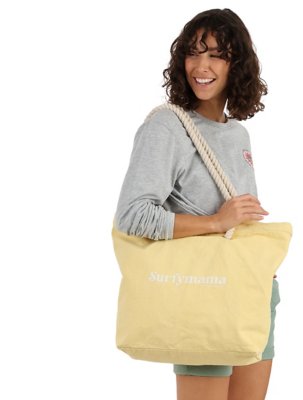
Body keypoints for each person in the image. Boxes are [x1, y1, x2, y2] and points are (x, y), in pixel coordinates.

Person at [114, 8, 281, 400]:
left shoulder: (238, 135)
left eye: (217, 55)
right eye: (193, 52)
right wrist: (215, 223)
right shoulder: (167, 126)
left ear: (237, 65)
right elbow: (132, 215)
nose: (201, 66)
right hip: (205, 291)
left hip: (253, 290)